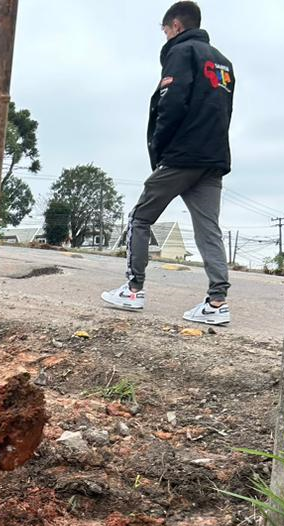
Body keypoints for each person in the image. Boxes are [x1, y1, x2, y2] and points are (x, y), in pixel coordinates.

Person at [102, 1, 236, 325]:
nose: (165, 38)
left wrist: (160, 149)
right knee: (209, 231)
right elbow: (223, 112)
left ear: (175, 26)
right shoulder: (225, 64)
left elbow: (171, 103)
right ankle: (217, 304)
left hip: (181, 157)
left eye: (165, 31)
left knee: (140, 217)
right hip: (213, 158)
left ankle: (133, 291)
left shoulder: (181, 52)